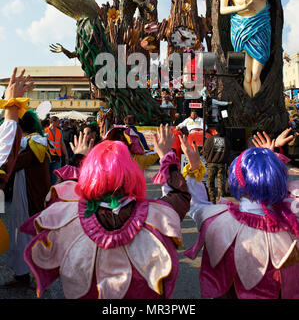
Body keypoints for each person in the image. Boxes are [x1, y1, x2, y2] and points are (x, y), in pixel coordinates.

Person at [21, 125, 191, 299]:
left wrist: (78, 159)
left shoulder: (67, 214)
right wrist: (166, 156)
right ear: (131, 173)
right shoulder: (158, 215)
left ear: (90, 172)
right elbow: (180, 195)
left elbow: (59, 195)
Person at [182, 128, 299, 299]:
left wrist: (192, 168)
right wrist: (269, 161)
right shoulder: (292, 222)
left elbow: (196, 204)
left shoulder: (215, 219)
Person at [0, 68, 51, 289]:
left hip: (30, 200)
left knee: (29, 237)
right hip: (27, 198)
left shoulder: (34, 144)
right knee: (23, 235)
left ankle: (35, 276)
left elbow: (9, 162)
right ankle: (23, 275)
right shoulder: (33, 143)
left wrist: (11, 112)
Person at [217, 0, 274, 97]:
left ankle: (258, 103)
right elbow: (223, 9)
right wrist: (241, 7)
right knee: (247, 76)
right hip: (241, 27)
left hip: (260, 24)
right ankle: (250, 105)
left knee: (256, 74)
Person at [200, 123, 231, 203]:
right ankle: (221, 201)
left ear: (215, 130)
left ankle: (212, 200)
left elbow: (204, 151)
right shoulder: (226, 140)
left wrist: (207, 158)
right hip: (221, 164)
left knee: (210, 183)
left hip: (211, 164)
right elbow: (228, 153)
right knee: (221, 184)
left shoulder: (210, 139)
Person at [45, 116, 69, 185]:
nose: (59, 123)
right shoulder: (45, 131)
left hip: (57, 157)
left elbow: (62, 143)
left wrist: (66, 155)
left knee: (55, 176)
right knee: (47, 176)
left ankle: (53, 191)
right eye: (58, 121)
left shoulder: (59, 131)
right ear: (53, 122)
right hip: (48, 157)